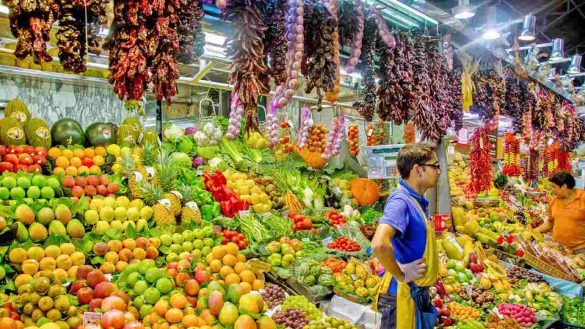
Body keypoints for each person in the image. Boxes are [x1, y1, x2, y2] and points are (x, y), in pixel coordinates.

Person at [371, 144, 441, 329]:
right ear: (417, 169)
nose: (439, 171)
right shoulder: (400, 202)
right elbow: (379, 244)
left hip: (414, 293)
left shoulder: (416, 201)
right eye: (435, 166)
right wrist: (401, 274)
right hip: (401, 296)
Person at [535, 171, 585, 253]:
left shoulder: (583, 198)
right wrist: (534, 231)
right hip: (558, 249)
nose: (552, 190)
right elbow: (550, 223)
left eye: (554, 187)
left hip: (580, 250)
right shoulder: (554, 202)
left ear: (564, 186)